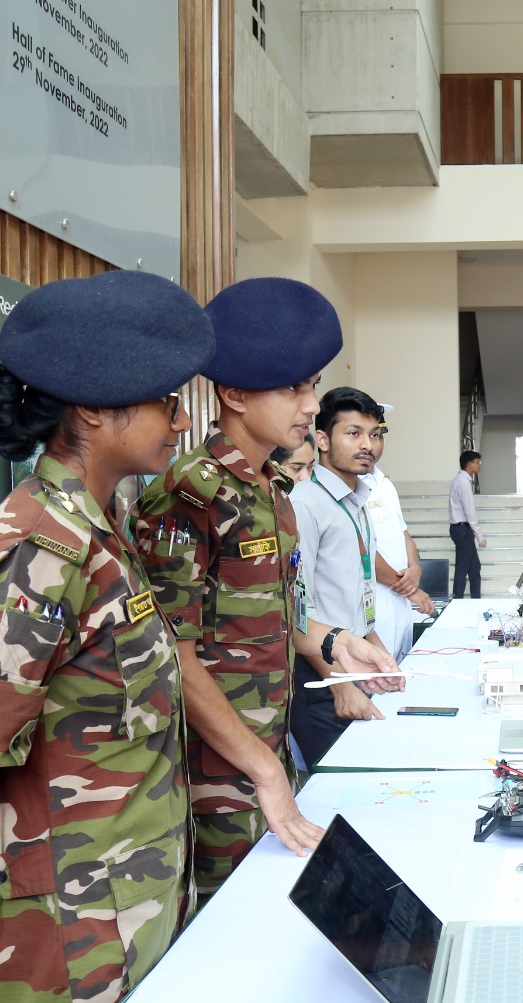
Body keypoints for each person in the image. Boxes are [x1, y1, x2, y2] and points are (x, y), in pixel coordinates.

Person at [0, 271, 211, 1003]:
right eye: (165, 401)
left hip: (129, 898)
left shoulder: (103, 529)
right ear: (93, 410)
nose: (181, 420)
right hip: (72, 933)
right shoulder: (39, 553)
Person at [135, 277, 397, 897]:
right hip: (217, 770)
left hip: (266, 750)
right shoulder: (190, 495)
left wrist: (333, 644)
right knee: (229, 916)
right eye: (294, 389)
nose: (311, 406)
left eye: (312, 386)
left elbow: (275, 612)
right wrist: (264, 771)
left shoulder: (270, 489)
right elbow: (173, 657)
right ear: (234, 394)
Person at [291, 387, 399, 769]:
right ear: (322, 440)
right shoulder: (305, 504)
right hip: (321, 675)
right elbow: (298, 612)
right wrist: (339, 685)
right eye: (353, 433)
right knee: (338, 786)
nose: (367, 444)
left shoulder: (357, 502)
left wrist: (383, 656)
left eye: (374, 434)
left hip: (354, 665)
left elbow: (357, 593)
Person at [365, 404, 434, 661]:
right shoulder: (351, 486)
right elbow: (361, 549)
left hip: (400, 600)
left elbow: (403, 532)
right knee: (377, 673)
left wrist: (415, 568)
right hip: (377, 598)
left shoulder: (384, 483)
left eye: (377, 435)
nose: (372, 444)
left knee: (400, 664)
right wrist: (410, 589)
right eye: (359, 434)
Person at [449, 450, 485, 598]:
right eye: (477, 462)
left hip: (462, 529)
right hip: (462, 529)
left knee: (474, 568)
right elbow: (470, 511)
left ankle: (475, 599)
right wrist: (480, 536)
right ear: (469, 465)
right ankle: (457, 600)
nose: (479, 465)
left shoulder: (461, 480)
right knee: (463, 568)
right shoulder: (463, 483)